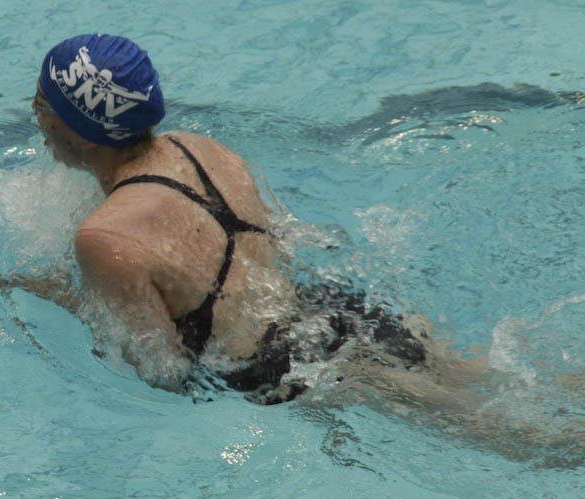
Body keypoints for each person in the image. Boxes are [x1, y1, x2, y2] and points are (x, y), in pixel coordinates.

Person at [21, 34, 430, 405]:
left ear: (86, 132)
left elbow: (159, 371)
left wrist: (60, 299)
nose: (35, 116)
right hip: (340, 311)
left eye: (41, 105)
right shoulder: (199, 147)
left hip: (287, 376)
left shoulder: (104, 237)